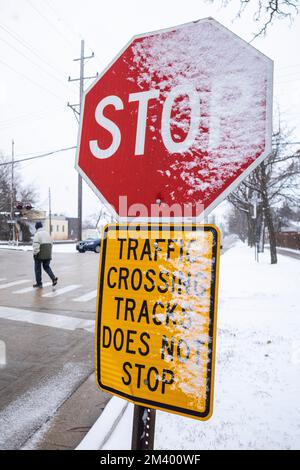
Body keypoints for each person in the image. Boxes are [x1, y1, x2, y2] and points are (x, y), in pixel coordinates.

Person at [32, 221, 58, 288]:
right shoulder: (47, 233)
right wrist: (49, 253)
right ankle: (53, 278)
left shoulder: (37, 234)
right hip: (48, 253)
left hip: (40, 253)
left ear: (36, 227)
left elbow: (36, 244)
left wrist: (35, 253)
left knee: (37, 268)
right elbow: (51, 243)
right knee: (46, 266)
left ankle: (39, 283)